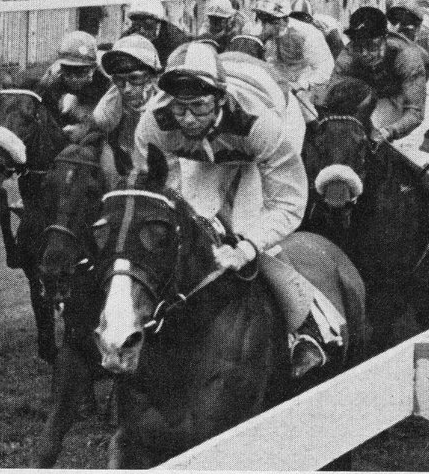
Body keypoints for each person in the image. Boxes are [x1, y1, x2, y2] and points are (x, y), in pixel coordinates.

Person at [135, 41, 345, 377]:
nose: (187, 119)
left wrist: (246, 246)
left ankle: (310, 325)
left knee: (249, 232)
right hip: (203, 152)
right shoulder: (153, 123)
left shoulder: (260, 125)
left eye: (199, 106)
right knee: (194, 223)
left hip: (272, 119)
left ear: (220, 98)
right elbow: (162, 193)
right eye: (179, 107)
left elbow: (288, 203)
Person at [329, 6, 429, 217]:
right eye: (359, 46)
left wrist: (390, 131)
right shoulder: (348, 56)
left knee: (403, 147)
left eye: (372, 46)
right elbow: (333, 97)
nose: (365, 53)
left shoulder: (407, 55)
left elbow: (415, 114)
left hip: (419, 92)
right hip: (380, 94)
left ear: (385, 38)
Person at [91, 34, 161, 184]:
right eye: (119, 80)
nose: (127, 89)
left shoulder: (166, 108)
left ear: (150, 79)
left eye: (134, 78)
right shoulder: (107, 111)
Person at [253, 0, 333, 120]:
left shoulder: (308, 33)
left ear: (284, 19)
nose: (265, 26)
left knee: (307, 115)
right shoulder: (254, 32)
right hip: (272, 87)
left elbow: (325, 69)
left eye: (271, 20)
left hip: (303, 86)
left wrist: (301, 84)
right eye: (262, 19)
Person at [36, 31, 110, 140]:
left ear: (93, 68)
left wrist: (84, 128)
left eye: (80, 72)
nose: (73, 78)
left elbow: (112, 120)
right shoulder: (52, 82)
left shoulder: (106, 81)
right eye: (67, 71)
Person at [123, 0, 189, 66]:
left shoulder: (175, 39)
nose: (141, 30)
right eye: (137, 25)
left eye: (147, 26)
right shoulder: (127, 36)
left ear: (158, 22)